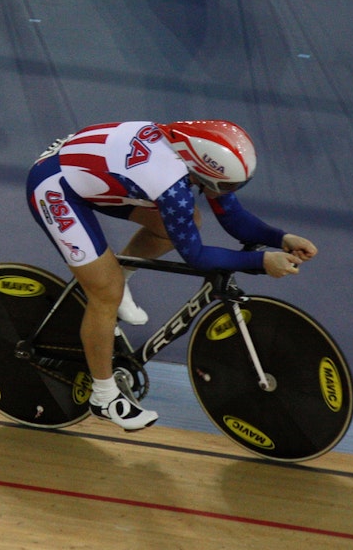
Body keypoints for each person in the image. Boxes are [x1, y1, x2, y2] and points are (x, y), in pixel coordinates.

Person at [26, 120, 317, 431]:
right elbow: (196, 256)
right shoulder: (170, 184)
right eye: (228, 186)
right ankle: (104, 397)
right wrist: (261, 262)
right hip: (56, 187)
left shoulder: (193, 151)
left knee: (182, 223)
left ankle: (118, 278)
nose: (230, 192)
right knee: (105, 293)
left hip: (89, 170)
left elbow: (232, 216)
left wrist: (282, 238)